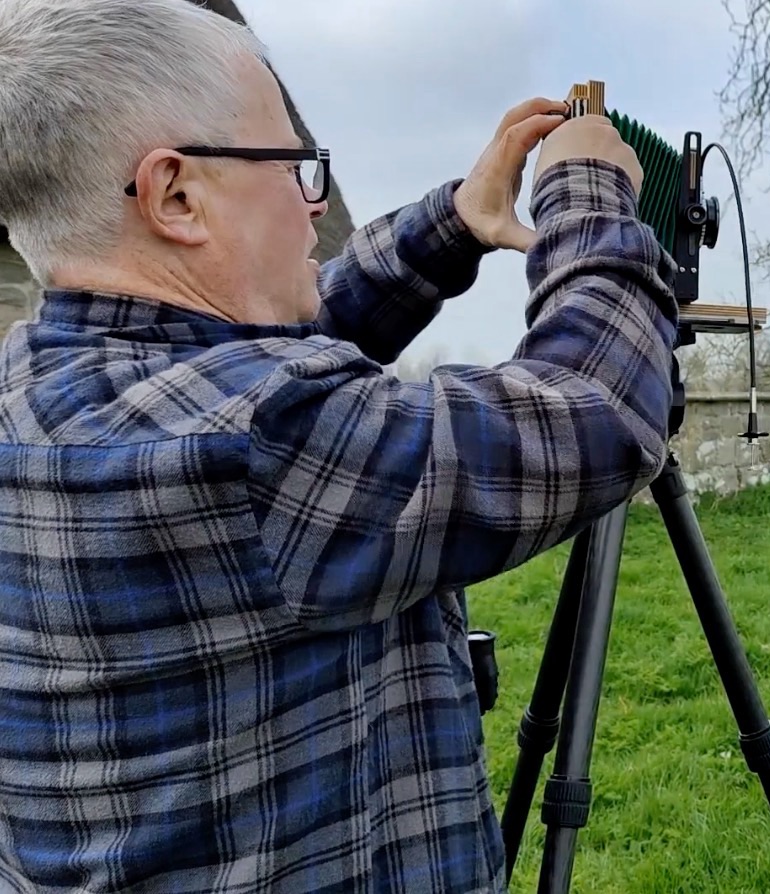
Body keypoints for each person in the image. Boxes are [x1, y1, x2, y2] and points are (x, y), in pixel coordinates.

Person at [0, 0, 678, 891]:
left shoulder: (40, 383)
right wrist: (589, 199)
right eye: (294, 168)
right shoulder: (254, 441)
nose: (310, 203)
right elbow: (598, 414)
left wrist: (457, 224)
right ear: (175, 195)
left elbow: (271, 336)